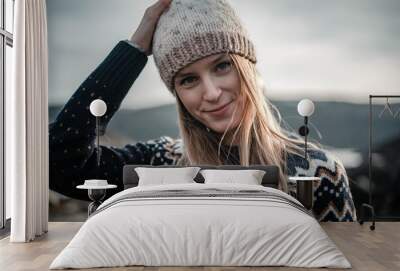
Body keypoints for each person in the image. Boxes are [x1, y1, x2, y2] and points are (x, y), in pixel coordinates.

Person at [49, 0, 357, 221]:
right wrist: (133, 51)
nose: (211, 93)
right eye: (188, 79)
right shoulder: (161, 163)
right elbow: (56, 163)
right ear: (177, 93)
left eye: (222, 65)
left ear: (246, 67)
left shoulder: (319, 173)